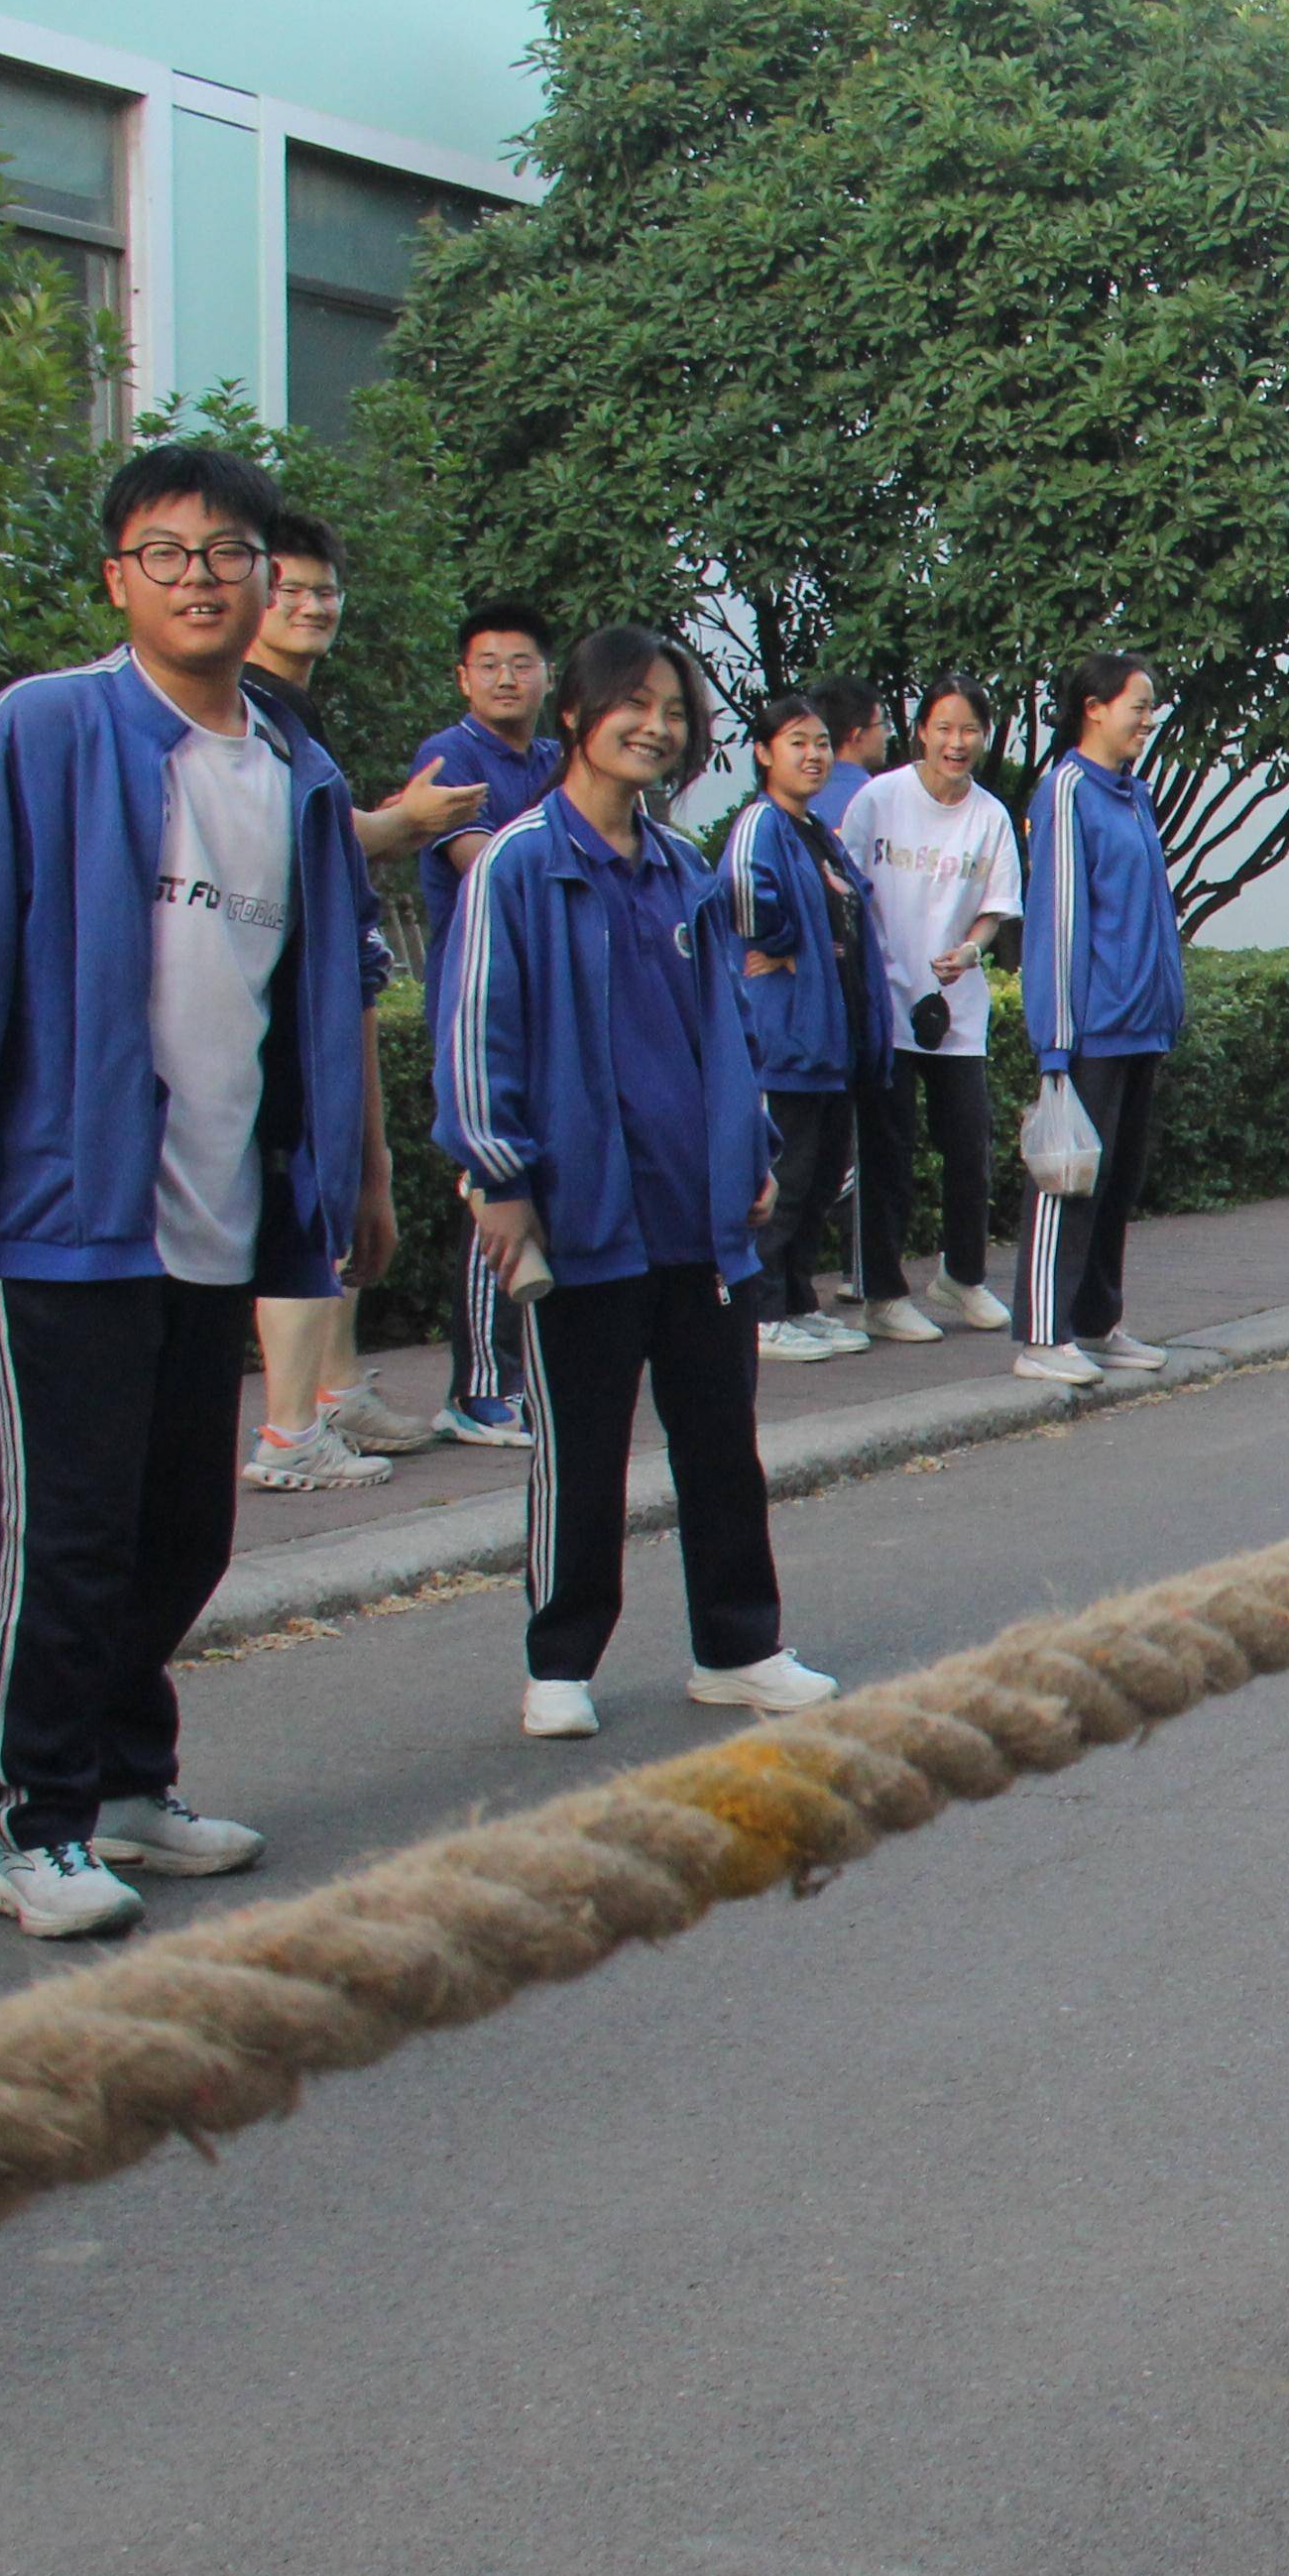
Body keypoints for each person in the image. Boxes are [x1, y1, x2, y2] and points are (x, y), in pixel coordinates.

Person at [0, 441, 373, 1937]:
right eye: (167, 554)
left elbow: (317, 997)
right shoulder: (44, 730)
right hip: (65, 1204)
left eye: (229, 554)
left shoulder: (295, 771)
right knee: (68, 1531)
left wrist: (344, 1169)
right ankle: (25, 1820)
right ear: (119, 579)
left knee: (186, 1533)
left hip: (215, 1208)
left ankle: (123, 1783)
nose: (202, 580)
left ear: (264, 581)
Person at [437, 629, 838, 1746]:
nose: (655, 726)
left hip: (695, 1216)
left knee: (721, 1437)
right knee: (583, 1444)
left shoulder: (681, 871)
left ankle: (738, 1646)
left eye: (672, 709)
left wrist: (750, 1150)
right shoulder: (520, 865)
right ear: (577, 713)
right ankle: (560, 1660)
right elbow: (478, 1034)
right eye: (633, 704)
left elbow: (726, 1025)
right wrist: (499, 1176)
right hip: (583, 1213)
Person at [230, 507, 469, 1492]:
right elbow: (289, 847)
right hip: (275, 993)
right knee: (300, 1197)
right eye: (288, 588)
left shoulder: (292, 711)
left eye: (324, 589)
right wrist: (405, 823)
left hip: (323, 979)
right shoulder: (245, 710)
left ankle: (328, 1393)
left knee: (332, 1191)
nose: (311, 605)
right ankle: (289, 1432)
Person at [720, 697, 913, 1359]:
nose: (813, 755)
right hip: (787, 1040)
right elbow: (743, 901)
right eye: (797, 742)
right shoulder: (760, 824)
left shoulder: (817, 832)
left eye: (822, 743)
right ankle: (761, 1310)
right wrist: (790, 942)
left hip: (835, 1041)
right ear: (764, 753)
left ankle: (797, 1300)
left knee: (823, 1176)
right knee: (787, 1176)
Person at [1013, 654, 1186, 1389]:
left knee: (1116, 1182)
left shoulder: (1134, 795)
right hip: (1090, 1028)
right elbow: (1056, 920)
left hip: (1140, 1023)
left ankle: (1095, 1320)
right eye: (1137, 705)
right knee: (1068, 1181)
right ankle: (1043, 1334)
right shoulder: (1068, 790)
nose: (1147, 719)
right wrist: (1055, 1042)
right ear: (1093, 707)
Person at [412, 603, 562, 1448]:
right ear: (465, 678)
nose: (508, 677)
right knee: (489, 1191)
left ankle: (526, 1376)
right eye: (490, 664)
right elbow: (494, 868)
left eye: (523, 662)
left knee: (538, 1195)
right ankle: (474, 1389)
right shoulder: (452, 756)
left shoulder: (552, 759)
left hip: (553, 1014)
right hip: (479, 1012)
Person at [833, 677, 1024, 1331]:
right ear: (920, 731)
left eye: (969, 729)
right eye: (944, 728)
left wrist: (970, 952)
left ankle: (961, 1275)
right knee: (888, 1154)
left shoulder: (990, 816)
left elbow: (994, 913)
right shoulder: (878, 800)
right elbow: (844, 888)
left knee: (969, 1146)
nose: (956, 742)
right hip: (885, 1006)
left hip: (956, 1012)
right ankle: (884, 1296)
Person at [799, 683, 884, 830]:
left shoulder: (792, 796)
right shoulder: (879, 798)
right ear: (856, 735)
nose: (886, 734)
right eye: (882, 724)